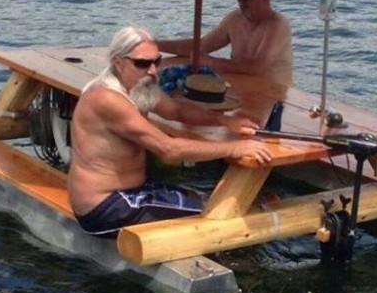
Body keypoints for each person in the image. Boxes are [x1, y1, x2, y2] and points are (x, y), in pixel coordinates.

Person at [67, 25, 272, 237]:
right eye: (142, 64)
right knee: (211, 213)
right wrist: (233, 148)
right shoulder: (108, 99)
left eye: (156, 61)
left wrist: (225, 120)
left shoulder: (138, 86)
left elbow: (176, 111)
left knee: (211, 201)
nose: (153, 70)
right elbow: (169, 149)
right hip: (106, 207)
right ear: (118, 63)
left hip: (133, 192)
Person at [157, 0, 292, 86]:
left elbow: (256, 67)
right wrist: (154, 44)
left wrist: (211, 62)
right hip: (243, 89)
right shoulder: (234, 19)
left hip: (274, 95)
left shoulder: (278, 25)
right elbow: (200, 46)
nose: (240, 2)